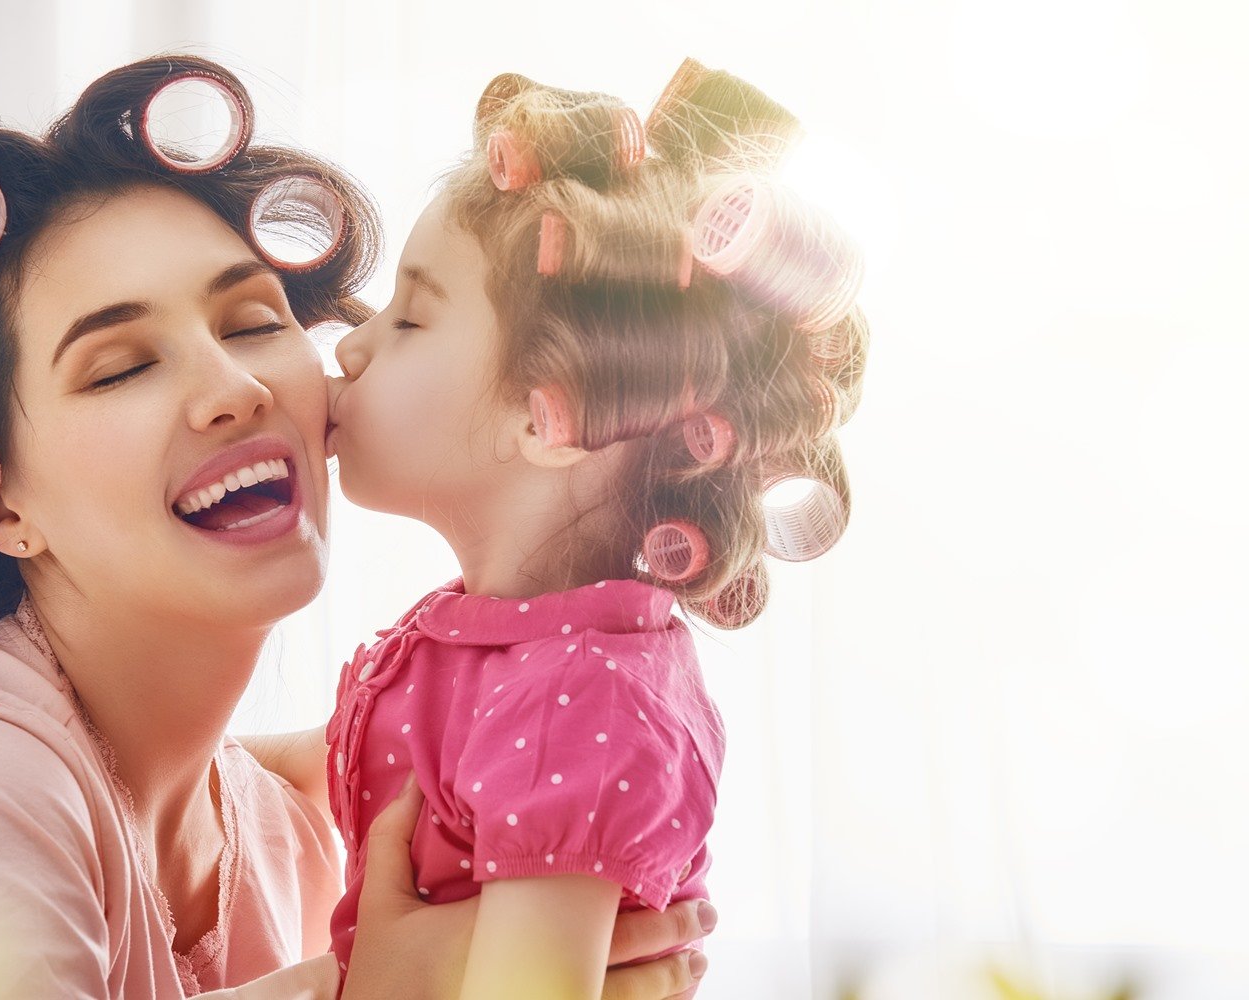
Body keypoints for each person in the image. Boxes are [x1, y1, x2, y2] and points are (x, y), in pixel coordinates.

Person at [0, 54, 711, 999]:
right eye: (120, 367)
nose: (231, 388)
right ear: (1, 499)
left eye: (250, 324)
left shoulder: (298, 834)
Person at [320, 63, 868, 1000]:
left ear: (549, 420)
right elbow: (373, 754)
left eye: (411, 316)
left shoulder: (581, 699)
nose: (352, 345)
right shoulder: (504, 648)